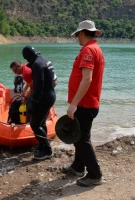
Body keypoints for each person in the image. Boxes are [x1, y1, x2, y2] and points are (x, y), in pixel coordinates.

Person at [61, 20, 105, 187]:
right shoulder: (96, 49)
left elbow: (87, 79)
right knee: (79, 137)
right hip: (88, 102)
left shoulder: (88, 50)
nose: (77, 38)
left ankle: (95, 174)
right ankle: (78, 166)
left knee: (81, 140)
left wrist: (74, 104)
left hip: (85, 104)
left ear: (81, 33)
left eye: (77, 35)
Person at [22, 46, 56, 160]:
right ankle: (42, 145)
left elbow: (39, 86)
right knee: (41, 123)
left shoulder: (37, 64)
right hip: (50, 95)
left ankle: (47, 151)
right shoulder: (44, 60)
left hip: (44, 98)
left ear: (27, 57)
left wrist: (33, 102)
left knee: (35, 124)